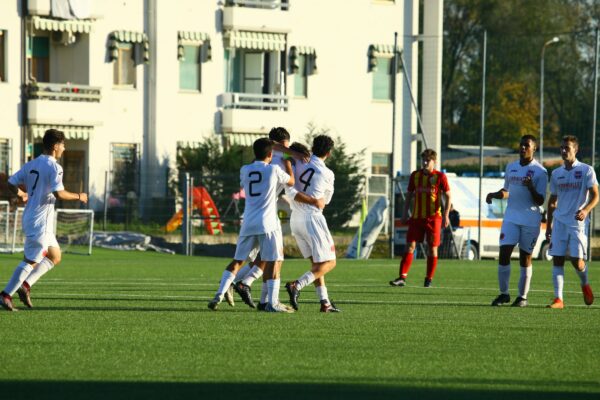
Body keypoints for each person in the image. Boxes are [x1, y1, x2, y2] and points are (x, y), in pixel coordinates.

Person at [208, 138, 322, 313]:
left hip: (248, 222)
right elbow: (291, 182)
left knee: (238, 261)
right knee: (275, 261)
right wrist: (289, 165)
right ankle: (273, 302)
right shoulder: (275, 169)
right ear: (270, 154)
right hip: (267, 223)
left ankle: (219, 294)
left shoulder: (245, 170)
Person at [0, 129, 89, 311]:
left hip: (34, 218)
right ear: (56, 146)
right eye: (63, 144)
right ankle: (6, 295)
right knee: (30, 260)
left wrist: (22, 194)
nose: (64, 148)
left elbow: (10, 182)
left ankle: (25, 286)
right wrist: (79, 196)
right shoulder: (55, 167)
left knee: (55, 256)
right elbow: (59, 193)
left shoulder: (31, 164)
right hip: (40, 221)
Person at [486, 135, 547, 307]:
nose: (522, 148)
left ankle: (522, 297)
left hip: (530, 220)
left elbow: (540, 200)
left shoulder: (540, 172)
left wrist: (531, 187)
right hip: (511, 218)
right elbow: (507, 191)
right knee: (504, 253)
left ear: (534, 148)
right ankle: (504, 294)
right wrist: (494, 195)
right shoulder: (511, 167)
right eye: (521, 145)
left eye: (527, 145)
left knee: (525, 258)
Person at [285, 137, 340, 312]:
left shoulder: (299, 163)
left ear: (313, 148)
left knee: (317, 264)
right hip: (312, 219)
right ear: (329, 153)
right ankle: (297, 285)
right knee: (330, 263)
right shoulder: (328, 173)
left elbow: (290, 187)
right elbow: (326, 201)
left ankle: (325, 302)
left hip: (296, 219)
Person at [546, 135, 597, 309]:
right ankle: (558, 299)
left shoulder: (586, 170)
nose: (563, 151)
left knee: (577, 261)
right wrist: (549, 225)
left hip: (577, 223)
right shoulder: (556, 173)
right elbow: (552, 201)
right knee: (557, 259)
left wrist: (585, 210)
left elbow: (596, 195)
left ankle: (585, 283)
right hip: (559, 221)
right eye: (561, 148)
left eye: (567, 148)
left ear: (576, 150)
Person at [389, 148, 451, 288]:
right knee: (410, 245)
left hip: (434, 218)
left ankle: (428, 279)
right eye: (422, 159)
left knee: (432, 248)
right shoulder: (415, 176)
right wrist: (405, 213)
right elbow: (409, 195)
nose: (424, 162)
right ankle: (402, 278)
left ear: (434, 162)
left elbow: (448, 196)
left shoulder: (440, 177)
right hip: (416, 218)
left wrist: (446, 215)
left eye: (427, 160)